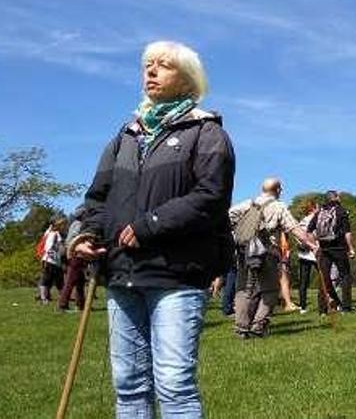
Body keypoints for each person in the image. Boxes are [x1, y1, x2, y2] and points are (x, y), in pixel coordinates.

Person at [69, 40, 235, 417]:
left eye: (164, 65)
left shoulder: (206, 133)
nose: (151, 71)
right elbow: (98, 197)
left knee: (175, 385)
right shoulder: (125, 137)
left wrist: (149, 225)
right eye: (148, 65)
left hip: (176, 274)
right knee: (128, 387)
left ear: (188, 80)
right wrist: (85, 236)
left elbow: (211, 197)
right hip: (121, 273)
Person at [230, 178, 316, 337]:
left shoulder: (248, 203)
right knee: (271, 290)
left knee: (244, 290)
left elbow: (229, 218)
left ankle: (241, 328)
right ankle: (258, 326)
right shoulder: (278, 206)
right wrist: (312, 245)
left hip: (245, 252)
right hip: (267, 253)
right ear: (277, 190)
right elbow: (293, 228)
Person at [308, 190, 356, 314]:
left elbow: (309, 230)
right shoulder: (341, 211)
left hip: (324, 249)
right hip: (339, 248)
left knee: (323, 278)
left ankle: (322, 310)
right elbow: (347, 232)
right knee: (345, 276)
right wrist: (350, 248)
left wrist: (315, 245)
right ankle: (346, 307)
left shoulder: (320, 212)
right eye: (338, 196)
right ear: (335, 198)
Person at [58, 206, 87, 312]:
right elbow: (75, 240)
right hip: (76, 255)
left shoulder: (75, 224)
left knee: (80, 281)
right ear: (82, 215)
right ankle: (62, 305)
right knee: (71, 281)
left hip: (75, 255)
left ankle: (81, 305)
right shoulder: (78, 225)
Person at [296, 201, 319, 314]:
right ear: (313, 209)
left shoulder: (302, 221)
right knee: (324, 277)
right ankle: (329, 302)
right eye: (317, 207)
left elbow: (298, 237)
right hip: (313, 252)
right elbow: (313, 235)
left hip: (303, 253)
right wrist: (313, 246)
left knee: (303, 281)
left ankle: (302, 306)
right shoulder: (315, 219)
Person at [37, 218, 66, 305]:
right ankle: (44, 299)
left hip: (50, 260)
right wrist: (57, 258)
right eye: (62, 224)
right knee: (47, 280)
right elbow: (49, 248)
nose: (64, 226)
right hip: (51, 261)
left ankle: (47, 298)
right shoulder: (54, 234)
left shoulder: (49, 232)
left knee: (53, 280)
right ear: (58, 226)